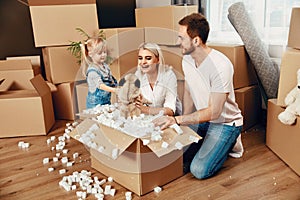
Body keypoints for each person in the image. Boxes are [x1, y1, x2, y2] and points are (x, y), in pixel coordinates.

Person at [153, 13, 244, 179]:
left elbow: (215, 112)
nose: (178, 42)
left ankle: (230, 142)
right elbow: (189, 89)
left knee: (198, 170)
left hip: (224, 123)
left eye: (181, 38)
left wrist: (177, 120)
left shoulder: (220, 66)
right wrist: (184, 122)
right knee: (173, 156)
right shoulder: (187, 59)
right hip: (202, 119)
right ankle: (207, 141)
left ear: (196, 41)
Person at [134, 42, 181, 116]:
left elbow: (170, 111)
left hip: (169, 119)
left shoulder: (168, 75)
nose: (143, 62)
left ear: (158, 59)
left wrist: (146, 109)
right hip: (147, 118)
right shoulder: (138, 75)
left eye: (148, 58)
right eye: (140, 58)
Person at [81, 37, 118, 109]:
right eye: (100, 53)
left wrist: (119, 86)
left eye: (104, 52)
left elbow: (111, 80)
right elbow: (101, 86)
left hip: (106, 102)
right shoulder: (92, 71)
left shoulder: (105, 67)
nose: (103, 55)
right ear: (90, 54)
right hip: (95, 105)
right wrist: (115, 90)